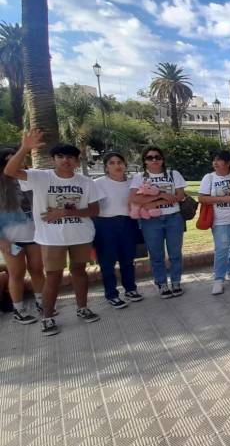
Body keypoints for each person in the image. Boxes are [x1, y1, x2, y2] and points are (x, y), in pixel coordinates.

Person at [4, 130, 102, 336]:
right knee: (53, 277)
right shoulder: (40, 177)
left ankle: (82, 308)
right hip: (51, 239)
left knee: (79, 272)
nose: (65, 160)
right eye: (60, 156)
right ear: (53, 159)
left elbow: (94, 210)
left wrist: (65, 212)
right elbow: (10, 171)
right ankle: (47, 317)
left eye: (70, 157)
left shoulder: (85, 182)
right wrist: (25, 148)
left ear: (77, 161)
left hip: (81, 236)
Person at [130, 146, 187, 299]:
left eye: (157, 157)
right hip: (151, 221)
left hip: (173, 218)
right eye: (150, 157)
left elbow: (180, 195)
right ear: (144, 161)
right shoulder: (139, 177)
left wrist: (151, 201)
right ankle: (162, 284)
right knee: (156, 254)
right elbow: (135, 198)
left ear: (162, 159)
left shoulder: (173, 174)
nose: (154, 160)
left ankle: (176, 282)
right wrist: (161, 196)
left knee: (175, 253)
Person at [0, 147, 45, 324]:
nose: (16, 162)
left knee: (37, 269)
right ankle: (19, 310)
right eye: (9, 160)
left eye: (18, 159)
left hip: (34, 234)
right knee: (16, 273)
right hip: (11, 237)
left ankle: (43, 303)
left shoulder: (30, 178)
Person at [93, 152, 143, 309]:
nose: (117, 166)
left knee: (128, 259)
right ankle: (111, 294)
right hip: (105, 224)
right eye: (112, 163)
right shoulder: (98, 183)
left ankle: (130, 289)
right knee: (107, 262)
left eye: (120, 162)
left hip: (128, 223)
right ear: (106, 167)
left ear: (125, 165)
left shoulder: (132, 184)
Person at [198, 150, 230, 295]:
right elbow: (202, 198)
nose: (215, 163)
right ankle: (218, 279)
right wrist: (223, 199)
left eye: (219, 160)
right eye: (214, 160)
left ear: (228, 163)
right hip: (220, 221)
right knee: (222, 248)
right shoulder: (209, 178)